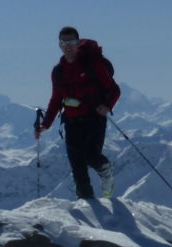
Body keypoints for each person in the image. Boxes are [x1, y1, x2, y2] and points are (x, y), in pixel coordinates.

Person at [35, 26, 120, 199]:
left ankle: (106, 171)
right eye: (63, 42)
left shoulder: (92, 65)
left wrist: (106, 106)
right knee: (77, 168)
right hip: (72, 122)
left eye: (71, 42)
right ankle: (87, 204)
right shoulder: (58, 71)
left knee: (91, 156)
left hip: (94, 119)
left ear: (78, 43)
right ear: (59, 45)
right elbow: (56, 99)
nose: (67, 46)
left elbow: (114, 90)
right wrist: (46, 124)